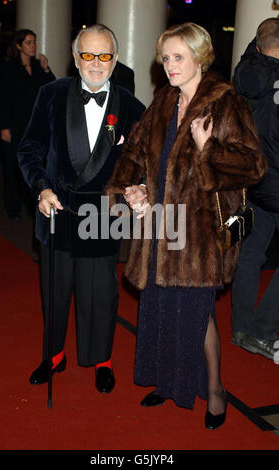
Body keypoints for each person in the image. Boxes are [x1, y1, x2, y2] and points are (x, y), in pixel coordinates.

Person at [106, 22, 266, 429]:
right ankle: (167, 381)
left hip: (202, 233)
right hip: (161, 226)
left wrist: (206, 148)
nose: (170, 65)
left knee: (198, 313)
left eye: (179, 57)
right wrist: (131, 189)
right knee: (160, 308)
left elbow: (253, 165)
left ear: (200, 56)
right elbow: (135, 155)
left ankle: (215, 390)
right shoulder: (162, 102)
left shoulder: (226, 102)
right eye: (165, 58)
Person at [18, 24, 145, 393]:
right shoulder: (51, 94)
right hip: (56, 210)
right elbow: (29, 150)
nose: (95, 63)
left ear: (115, 59)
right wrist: (40, 189)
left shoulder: (131, 106)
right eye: (87, 55)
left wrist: (136, 186)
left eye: (104, 55)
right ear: (75, 58)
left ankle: (101, 360)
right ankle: (54, 354)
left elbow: (140, 162)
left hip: (103, 216)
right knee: (55, 292)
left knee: (100, 294)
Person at [231, 18, 279, 360]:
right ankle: (262, 329)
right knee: (251, 254)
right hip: (277, 183)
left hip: (253, 181)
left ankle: (241, 326)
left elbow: (259, 47)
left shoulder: (245, 73)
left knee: (248, 254)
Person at [0, 29, 55, 219]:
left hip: (37, 125)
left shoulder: (40, 66)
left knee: (38, 166)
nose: (33, 46)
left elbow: (52, 89)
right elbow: (2, 100)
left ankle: (37, 204)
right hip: (16, 125)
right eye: (29, 42)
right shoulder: (9, 68)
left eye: (34, 42)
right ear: (19, 45)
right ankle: (12, 207)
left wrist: (47, 69)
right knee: (14, 167)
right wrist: (4, 127)